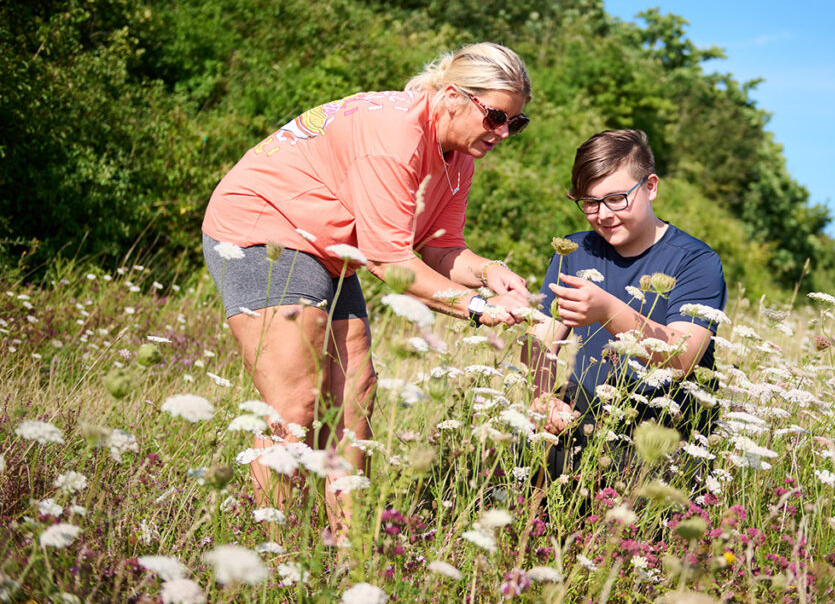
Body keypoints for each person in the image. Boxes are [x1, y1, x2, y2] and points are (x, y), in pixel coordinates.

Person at [202, 42, 532, 540]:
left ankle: (348, 548)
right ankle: (276, 551)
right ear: (452, 97)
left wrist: (489, 272)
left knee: (355, 391)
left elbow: (441, 248)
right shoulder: (395, 134)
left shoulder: (459, 157)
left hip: (332, 246)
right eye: (496, 117)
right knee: (298, 405)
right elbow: (387, 259)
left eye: (516, 123)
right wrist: (476, 307)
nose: (504, 132)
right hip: (265, 228)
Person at [522, 129, 726, 481]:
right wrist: (542, 398)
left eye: (616, 198)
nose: (603, 214)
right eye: (589, 202)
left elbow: (682, 357)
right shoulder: (574, 252)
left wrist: (608, 311)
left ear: (650, 187)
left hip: (669, 430)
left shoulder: (695, 260)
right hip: (587, 416)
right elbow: (541, 338)